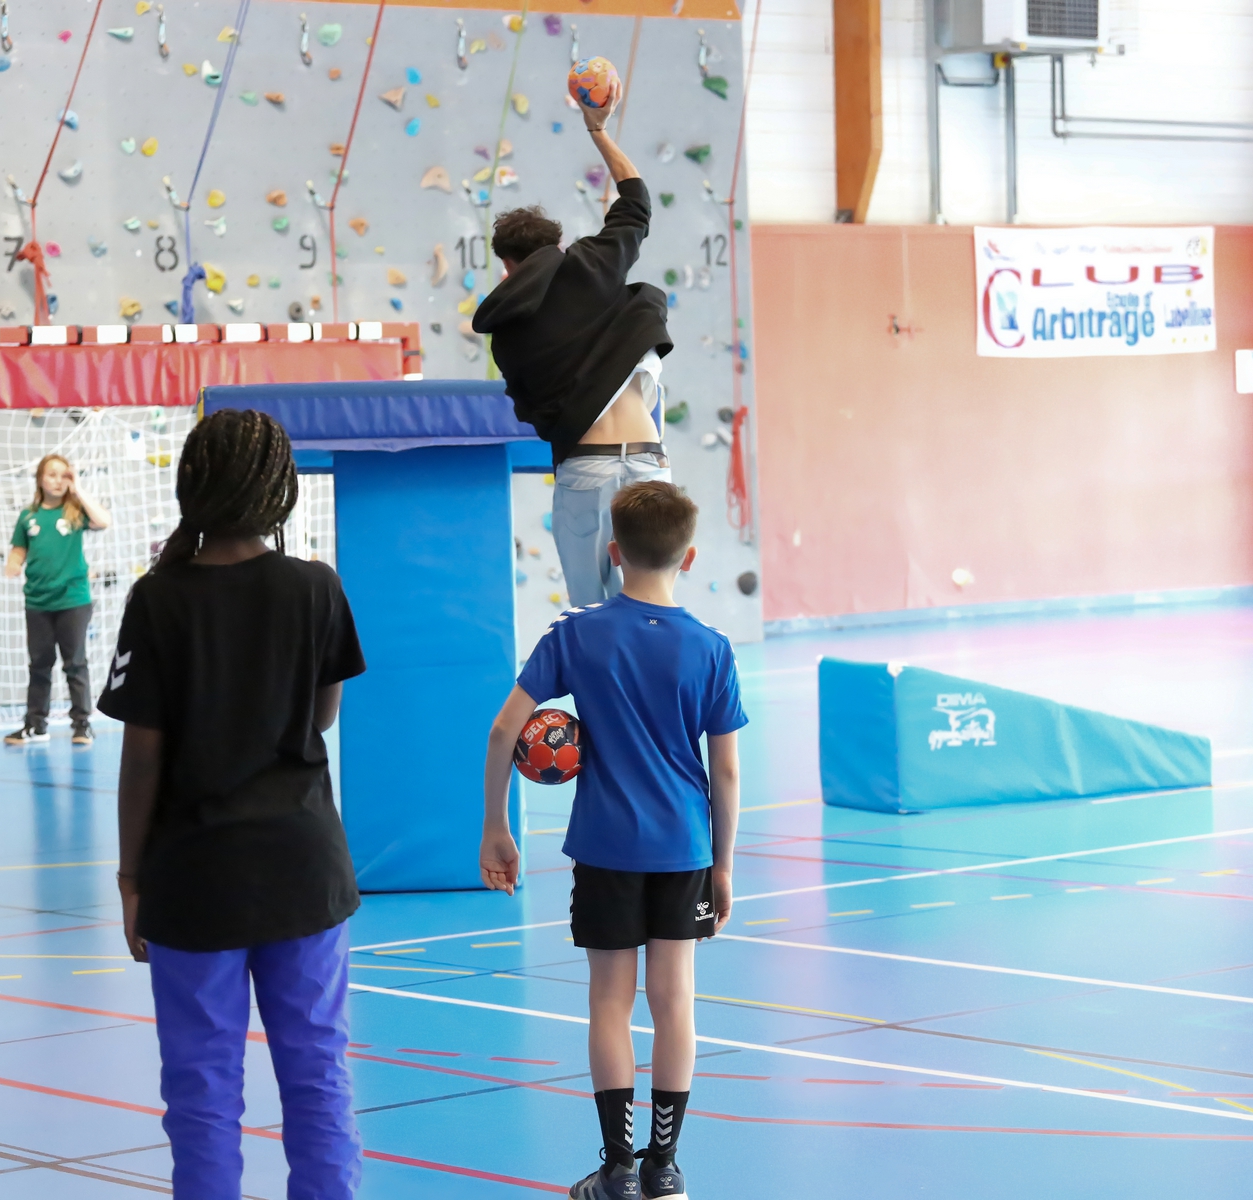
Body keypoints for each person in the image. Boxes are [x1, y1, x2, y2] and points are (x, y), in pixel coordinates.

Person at [100, 409, 366, 1199]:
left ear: (194, 485)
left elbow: (141, 758)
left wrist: (129, 877)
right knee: (317, 1076)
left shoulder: (157, 599)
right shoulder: (316, 586)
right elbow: (321, 716)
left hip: (193, 878)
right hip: (303, 872)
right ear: (279, 493)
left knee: (202, 1091)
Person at [479, 481, 745, 1200]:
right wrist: (723, 868)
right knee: (675, 1001)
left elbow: (506, 728)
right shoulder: (712, 648)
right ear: (689, 556)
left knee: (608, 1003)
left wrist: (497, 826)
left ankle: (617, 1171)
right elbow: (724, 768)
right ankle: (666, 1169)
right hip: (684, 847)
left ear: (612, 552)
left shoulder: (575, 632)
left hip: (604, 849)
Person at [472, 74, 674, 608]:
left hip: (586, 469)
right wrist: (597, 130)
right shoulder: (592, 263)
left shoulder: (506, 332)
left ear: (507, 266)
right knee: (653, 612)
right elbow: (636, 199)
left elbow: (536, 415)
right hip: (651, 463)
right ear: (556, 245)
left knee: (595, 616)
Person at [4, 453, 110, 746]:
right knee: (39, 665)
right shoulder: (28, 516)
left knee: (75, 663)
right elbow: (19, 549)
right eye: (51, 474)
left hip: (73, 601)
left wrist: (79, 490)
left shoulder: (75, 512)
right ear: (40, 478)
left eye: (64, 475)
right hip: (38, 602)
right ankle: (35, 725)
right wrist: (13, 563)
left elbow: (103, 520)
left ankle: (82, 724)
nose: (58, 480)